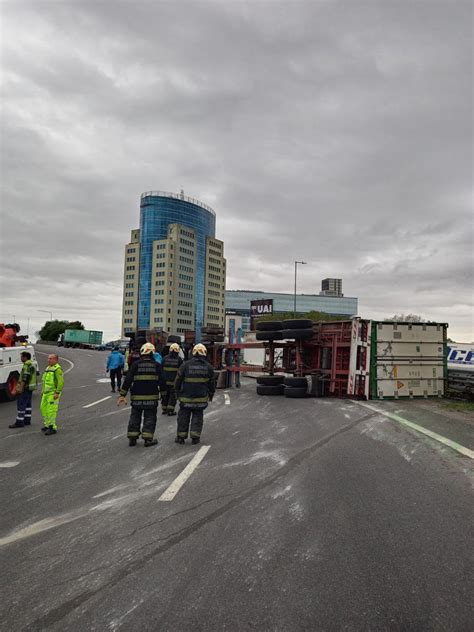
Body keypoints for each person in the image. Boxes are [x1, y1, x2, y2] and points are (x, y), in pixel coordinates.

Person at [118, 342, 165, 447]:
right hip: (152, 398)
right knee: (150, 418)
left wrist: (122, 395)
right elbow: (162, 382)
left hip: (136, 398)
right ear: (152, 354)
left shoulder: (135, 365)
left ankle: (132, 438)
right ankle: (148, 439)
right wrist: (164, 395)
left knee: (135, 417)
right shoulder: (157, 366)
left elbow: (128, 380)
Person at [174, 343, 215, 445]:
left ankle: (181, 437)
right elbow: (212, 383)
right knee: (198, 416)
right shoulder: (209, 367)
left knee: (183, 417)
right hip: (201, 399)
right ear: (204, 353)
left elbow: (178, 380)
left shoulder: (185, 365)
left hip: (185, 398)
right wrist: (211, 394)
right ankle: (195, 437)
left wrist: (177, 392)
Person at [8, 351, 37, 429]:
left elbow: (25, 378)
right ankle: (27, 420)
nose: (21, 358)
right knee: (28, 404)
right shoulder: (32, 364)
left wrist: (21, 387)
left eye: (21, 357)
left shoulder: (26, 366)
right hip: (30, 388)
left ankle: (19, 422)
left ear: (25, 357)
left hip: (25, 388)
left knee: (21, 404)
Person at [40, 354, 64, 436]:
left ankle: (52, 427)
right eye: (48, 358)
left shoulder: (57, 369)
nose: (48, 360)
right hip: (46, 393)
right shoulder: (48, 368)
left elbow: (60, 382)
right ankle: (47, 425)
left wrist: (57, 392)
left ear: (56, 360)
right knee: (43, 408)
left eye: (51, 359)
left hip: (52, 393)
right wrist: (43, 391)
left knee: (51, 410)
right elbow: (45, 381)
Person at [161, 343, 183, 416]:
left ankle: (164, 408)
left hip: (165, 382)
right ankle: (170, 410)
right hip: (174, 382)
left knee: (165, 395)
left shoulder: (164, 358)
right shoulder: (179, 360)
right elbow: (181, 372)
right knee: (172, 396)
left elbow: (161, 369)